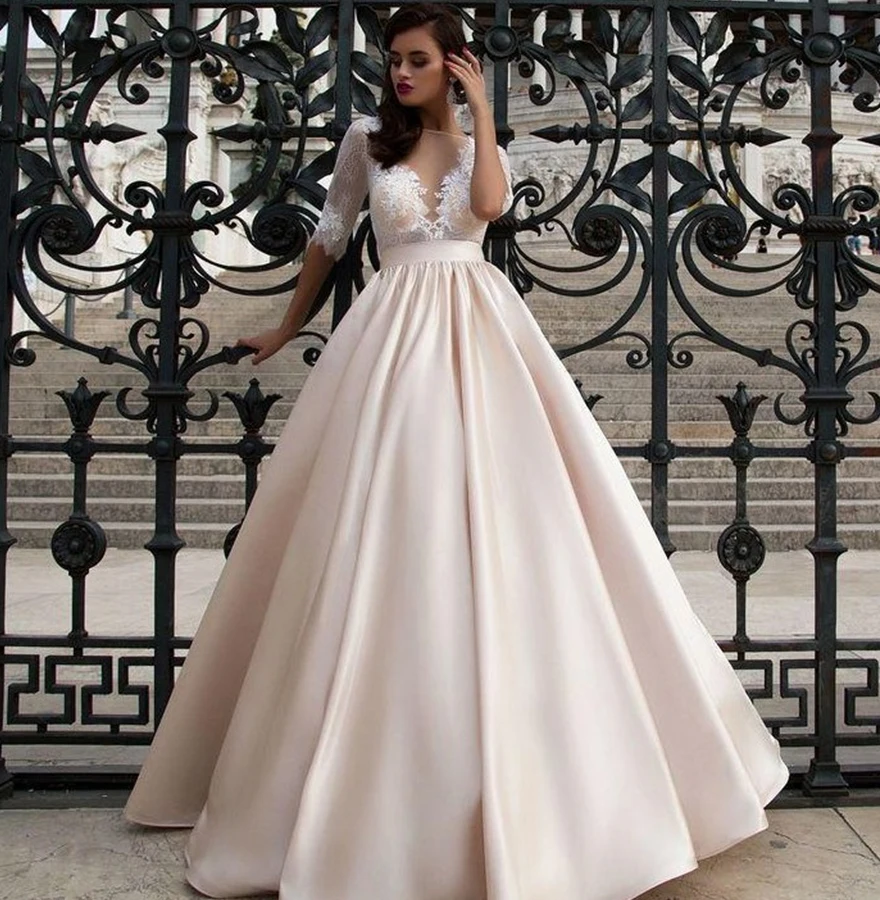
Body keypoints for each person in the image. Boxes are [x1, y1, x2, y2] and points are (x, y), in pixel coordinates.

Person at [124, 5, 789, 899]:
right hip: (388, 339)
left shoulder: (477, 141)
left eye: (418, 60)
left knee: (522, 525)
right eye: (393, 60)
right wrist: (283, 328)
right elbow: (329, 238)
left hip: (479, 335)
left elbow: (488, 209)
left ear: (453, 64)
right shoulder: (365, 142)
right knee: (379, 525)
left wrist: (479, 113)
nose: (400, 74)